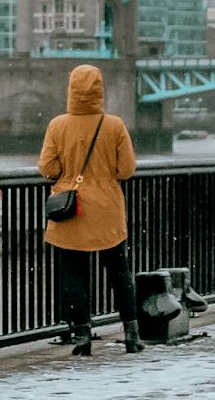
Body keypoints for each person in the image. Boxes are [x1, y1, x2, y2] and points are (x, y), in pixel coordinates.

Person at [39, 63, 141, 356]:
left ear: (71, 90)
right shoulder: (114, 125)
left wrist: (68, 172)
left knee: (74, 275)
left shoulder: (58, 125)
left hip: (72, 210)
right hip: (107, 209)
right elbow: (126, 169)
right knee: (120, 273)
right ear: (99, 90)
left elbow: (47, 167)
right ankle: (132, 333)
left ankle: (82, 334)